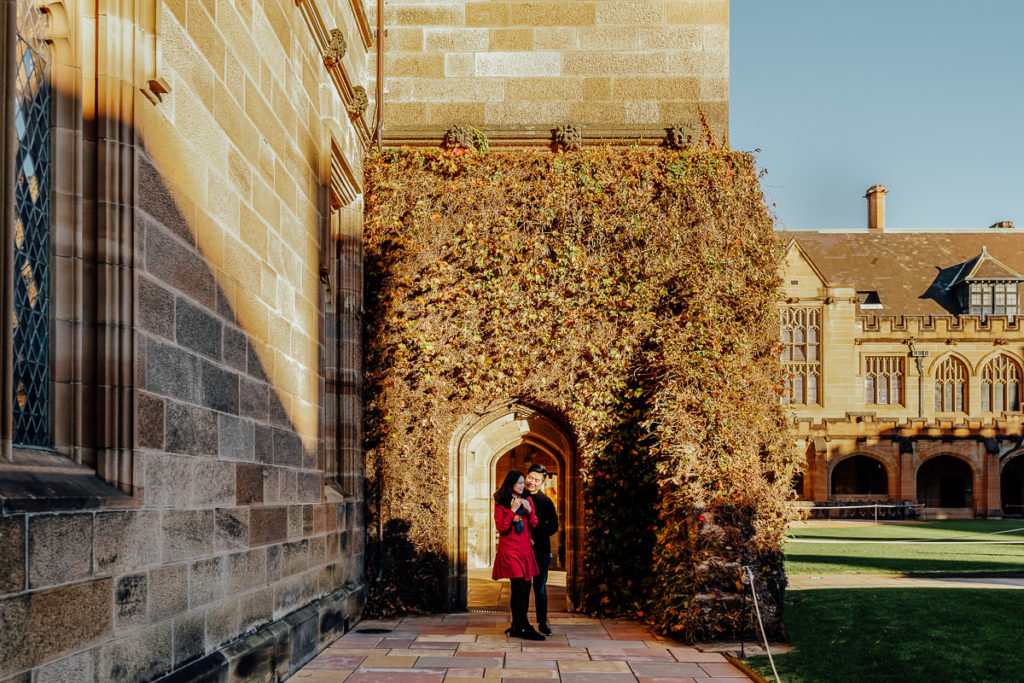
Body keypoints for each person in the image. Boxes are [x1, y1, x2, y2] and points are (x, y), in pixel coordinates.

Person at [492, 470, 545, 640]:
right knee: (520, 586)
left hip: (524, 551)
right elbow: (501, 527)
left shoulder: (527, 499)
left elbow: (534, 524)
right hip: (510, 551)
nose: (524, 486)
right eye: (521, 483)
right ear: (512, 483)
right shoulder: (501, 502)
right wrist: (512, 510)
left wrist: (529, 511)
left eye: (524, 483)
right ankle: (525, 627)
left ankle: (517, 625)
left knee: (522, 588)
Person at [525, 464, 558, 636]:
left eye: (536, 480)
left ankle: (542, 623)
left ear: (542, 482)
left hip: (540, 550)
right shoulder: (517, 496)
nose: (532, 482)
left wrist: (535, 537)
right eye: (530, 478)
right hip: (520, 550)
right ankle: (519, 623)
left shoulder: (545, 502)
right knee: (521, 587)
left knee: (540, 588)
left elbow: (554, 526)